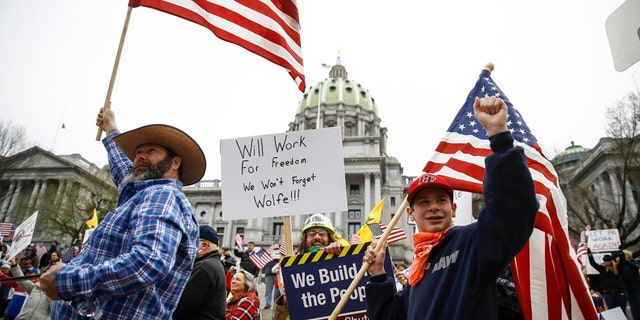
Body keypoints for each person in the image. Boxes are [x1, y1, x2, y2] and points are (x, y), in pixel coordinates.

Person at [362, 96, 539, 319]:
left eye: (441, 200)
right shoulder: (419, 267)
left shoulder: (472, 243)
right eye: (424, 202)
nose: (433, 207)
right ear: (411, 213)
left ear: (453, 209)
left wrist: (499, 138)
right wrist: (378, 275)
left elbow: (512, 210)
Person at [38, 102, 205, 319]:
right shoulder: (142, 193)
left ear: (175, 163)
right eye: (137, 153)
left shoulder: (162, 196)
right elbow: (123, 171)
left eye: (150, 151)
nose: (140, 157)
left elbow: (149, 262)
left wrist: (68, 281)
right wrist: (110, 128)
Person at [273, 213, 343, 320]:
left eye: (322, 233)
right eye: (312, 234)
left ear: (330, 238)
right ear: (305, 239)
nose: (317, 237)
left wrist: (343, 255)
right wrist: (285, 302)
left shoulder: (340, 261)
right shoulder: (293, 269)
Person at [174, 225, 227, 320]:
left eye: (192, 241)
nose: (187, 246)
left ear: (204, 245)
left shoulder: (205, 267)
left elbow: (181, 306)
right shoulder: (213, 264)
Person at [588, 250, 627, 316]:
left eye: (607, 260)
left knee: (622, 312)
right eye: (605, 260)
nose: (606, 262)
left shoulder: (618, 268)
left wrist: (621, 254)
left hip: (619, 293)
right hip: (608, 294)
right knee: (612, 312)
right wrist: (590, 255)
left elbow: (622, 262)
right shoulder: (602, 269)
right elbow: (593, 264)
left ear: (611, 260)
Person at [618, 249, 640, 319]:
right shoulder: (622, 265)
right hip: (628, 288)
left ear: (628, 256)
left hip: (637, 288)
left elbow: (636, 268)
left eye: (625, 255)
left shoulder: (635, 262)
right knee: (633, 307)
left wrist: (626, 261)